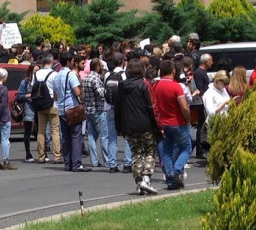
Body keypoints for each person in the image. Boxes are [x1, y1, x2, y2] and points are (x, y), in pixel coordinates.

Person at [115, 59, 160, 195]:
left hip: (128, 125)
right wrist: (158, 125)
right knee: (149, 151)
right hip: (145, 123)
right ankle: (146, 178)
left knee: (136, 153)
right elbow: (151, 106)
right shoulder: (144, 84)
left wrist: (119, 126)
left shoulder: (122, 86)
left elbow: (118, 107)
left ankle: (139, 181)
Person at [153, 60, 191, 190]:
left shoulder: (155, 86)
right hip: (177, 122)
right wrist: (188, 118)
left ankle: (170, 181)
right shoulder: (176, 86)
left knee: (166, 152)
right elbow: (184, 107)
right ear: (173, 71)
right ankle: (176, 171)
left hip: (163, 123)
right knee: (186, 148)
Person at [53, 53, 90, 172]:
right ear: (68, 62)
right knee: (76, 136)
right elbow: (77, 92)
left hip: (61, 109)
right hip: (72, 109)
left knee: (65, 137)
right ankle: (76, 164)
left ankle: (67, 163)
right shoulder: (71, 75)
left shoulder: (57, 75)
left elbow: (55, 96)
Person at [82, 58, 110, 169]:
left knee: (91, 136)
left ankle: (94, 161)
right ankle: (108, 161)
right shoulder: (95, 78)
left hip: (88, 110)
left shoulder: (86, 78)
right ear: (97, 67)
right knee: (104, 136)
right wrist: (108, 91)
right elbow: (101, 93)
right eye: (101, 66)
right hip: (98, 110)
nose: (102, 68)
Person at [34, 53, 62, 163]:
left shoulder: (36, 74)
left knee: (41, 131)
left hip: (40, 104)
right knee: (55, 131)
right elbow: (57, 90)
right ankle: (57, 156)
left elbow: (33, 87)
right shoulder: (54, 74)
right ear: (51, 62)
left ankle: (41, 156)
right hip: (52, 104)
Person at [17, 64, 39, 162]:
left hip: (39, 107)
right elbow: (19, 95)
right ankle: (28, 154)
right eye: (35, 70)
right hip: (28, 107)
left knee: (40, 131)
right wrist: (29, 95)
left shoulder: (40, 81)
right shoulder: (25, 82)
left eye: (38, 70)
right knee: (27, 131)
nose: (37, 72)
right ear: (31, 71)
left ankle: (43, 153)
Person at [191, 53, 212, 159]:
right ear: (206, 62)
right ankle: (199, 150)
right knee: (201, 126)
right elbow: (200, 89)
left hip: (204, 101)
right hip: (201, 103)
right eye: (211, 61)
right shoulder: (199, 73)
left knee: (203, 125)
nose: (212, 63)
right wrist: (205, 103)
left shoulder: (203, 72)